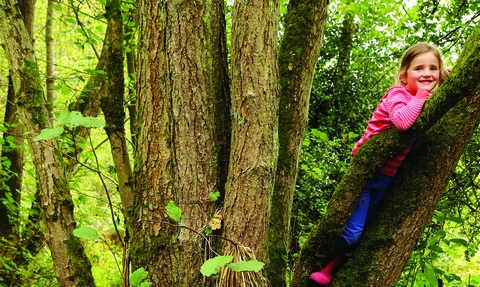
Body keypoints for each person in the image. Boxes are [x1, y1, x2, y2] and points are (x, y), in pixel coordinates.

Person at [308, 42, 450, 286]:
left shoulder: (422, 99)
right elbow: (403, 122)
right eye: (419, 68)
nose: (427, 73)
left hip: (386, 177)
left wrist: (446, 82)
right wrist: (423, 94)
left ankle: (329, 271)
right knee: (353, 234)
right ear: (404, 76)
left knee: (364, 232)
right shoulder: (397, 95)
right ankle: (318, 257)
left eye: (433, 68)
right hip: (368, 171)